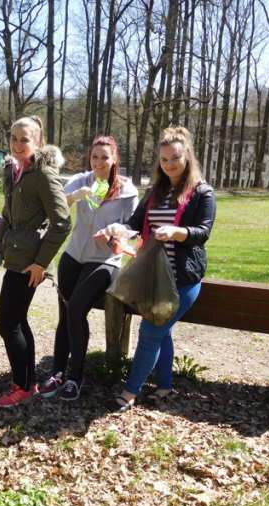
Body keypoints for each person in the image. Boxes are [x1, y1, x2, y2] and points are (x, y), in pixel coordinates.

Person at [100, 126, 216, 411]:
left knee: (151, 331)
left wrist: (177, 232)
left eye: (175, 158)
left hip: (184, 279)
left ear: (187, 156)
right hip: (154, 277)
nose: (169, 165)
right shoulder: (155, 192)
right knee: (161, 331)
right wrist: (120, 230)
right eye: (164, 160)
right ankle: (164, 386)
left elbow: (203, 232)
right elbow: (137, 223)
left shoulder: (202, 193)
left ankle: (130, 391)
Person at [38, 135, 138, 401]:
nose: (99, 162)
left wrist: (118, 230)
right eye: (95, 157)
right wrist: (74, 196)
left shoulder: (126, 189)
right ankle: (57, 372)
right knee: (65, 315)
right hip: (73, 256)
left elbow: (133, 228)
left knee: (76, 309)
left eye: (105, 157)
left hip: (104, 261)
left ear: (114, 158)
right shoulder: (82, 181)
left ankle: (75, 377)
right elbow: (55, 204)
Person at [0, 115, 71, 407]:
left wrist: (41, 264)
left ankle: (23, 385)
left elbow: (62, 223)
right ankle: (26, 380)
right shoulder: (14, 173)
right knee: (16, 320)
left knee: (8, 323)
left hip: (29, 264)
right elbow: (7, 218)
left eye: (25, 139)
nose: (18, 144)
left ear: (38, 141)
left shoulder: (44, 175)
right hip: (14, 258)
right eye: (14, 138)